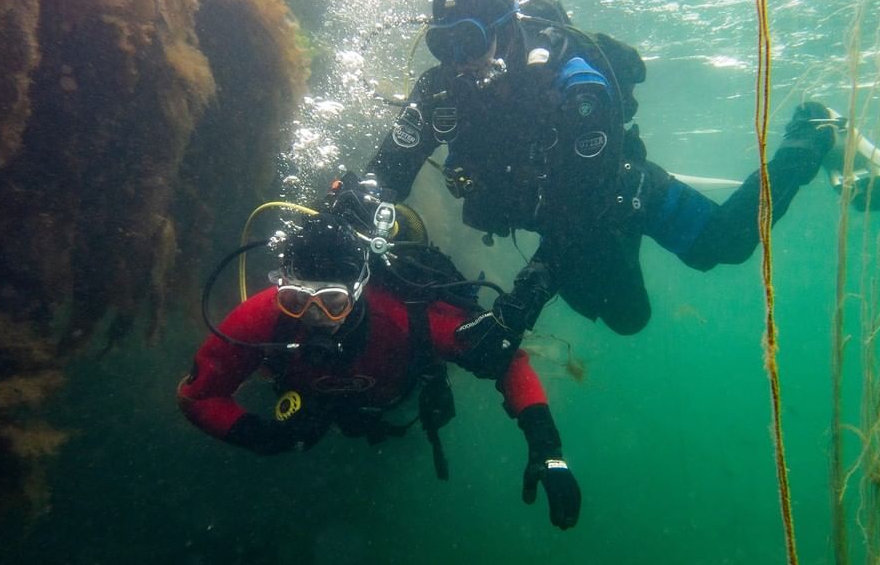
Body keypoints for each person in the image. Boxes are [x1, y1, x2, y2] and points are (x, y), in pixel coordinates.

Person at [366, 0, 843, 378]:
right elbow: (384, 174)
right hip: (554, 216)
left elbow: (583, 208)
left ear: (507, 28)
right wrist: (342, 214)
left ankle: (813, 133)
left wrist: (518, 308)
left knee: (726, 243)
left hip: (613, 194)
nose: (458, 62)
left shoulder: (576, 87)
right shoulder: (440, 91)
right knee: (625, 318)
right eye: (442, 44)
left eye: (469, 40)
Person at [177, 212, 582, 529]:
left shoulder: (410, 318)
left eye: (333, 302)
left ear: (360, 289)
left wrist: (548, 451)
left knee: (406, 435)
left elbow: (507, 361)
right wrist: (262, 435)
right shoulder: (265, 317)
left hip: (394, 413)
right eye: (296, 300)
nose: (315, 317)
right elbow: (198, 394)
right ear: (281, 290)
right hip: (305, 417)